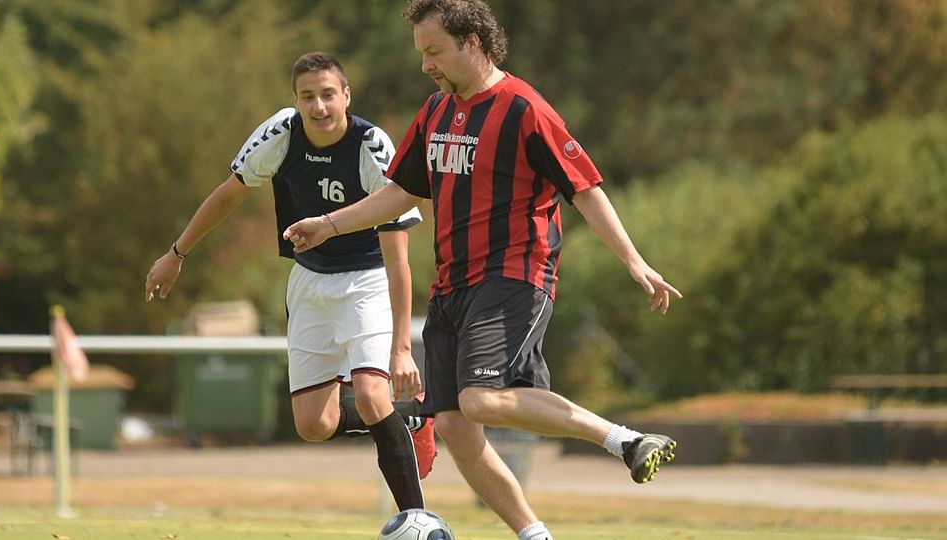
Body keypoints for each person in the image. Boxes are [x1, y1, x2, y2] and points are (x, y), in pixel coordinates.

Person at [282, 2, 683, 538]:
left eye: (434, 51)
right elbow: (399, 193)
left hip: (514, 276)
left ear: (472, 41)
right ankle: (535, 535)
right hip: (451, 286)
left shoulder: (524, 109)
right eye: (421, 53)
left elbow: (584, 189)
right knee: (454, 426)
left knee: (479, 399)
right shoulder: (435, 111)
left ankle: (626, 441)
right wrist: (328, 225)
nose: (425, 65)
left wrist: (634, 261)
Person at [144, 52, 435, 511]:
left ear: (346, 95)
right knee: (314, 425)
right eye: (307, 96)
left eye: (328, 95)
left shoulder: (371, 146)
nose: (319, 106)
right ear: (296, 100)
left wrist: (401, 348)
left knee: (370, 394)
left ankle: (418, 523)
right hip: (309, 280)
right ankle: (410, 416)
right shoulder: (281, 133)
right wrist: (176, 254)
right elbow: (228, 194)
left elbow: (398, 259)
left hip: (366, 281)